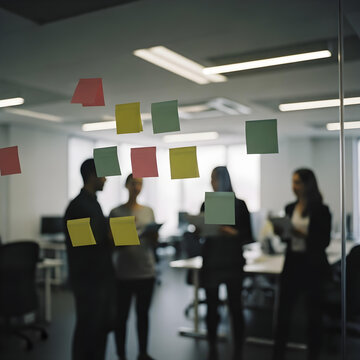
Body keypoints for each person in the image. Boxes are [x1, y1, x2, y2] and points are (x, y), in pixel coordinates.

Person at [272, 168, 332, 360]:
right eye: (293, 181)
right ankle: (278, 354)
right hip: (292, 264)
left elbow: (323, 241)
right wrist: (281, 232)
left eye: (297, 182)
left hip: (312, 266)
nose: (294, 186)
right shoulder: (290, 208)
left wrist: (303, 235)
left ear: (308, 184)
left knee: (314, 316)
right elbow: (288, 240)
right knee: (283, 314)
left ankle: (313, 354)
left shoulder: (321, 210)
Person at [64, 159, 116, 360]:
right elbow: (83, 246)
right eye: (103, 175)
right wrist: (108, 236)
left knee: (99, 330)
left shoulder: (93, 203)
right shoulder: (78, 206)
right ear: (92, 175)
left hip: (99, 278)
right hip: (88, 281)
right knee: (88, 331)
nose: (106, 179)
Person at [200, 166, 253, 360]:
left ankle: (238, 349)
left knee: (235, 307)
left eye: (214, 179)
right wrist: (199, 230)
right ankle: (212, 347)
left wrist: (233, 233)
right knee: (211, 308)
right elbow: (204, 230)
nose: (212, 183)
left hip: (231, 262)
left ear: (223, 180)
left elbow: (248, 235)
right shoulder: (206, 204)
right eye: (211, 179)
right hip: (212, 261)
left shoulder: (239, 205)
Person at [109, 174, 158, 360]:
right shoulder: (116, 212)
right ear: (126, 185)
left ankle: (143, 353)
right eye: (134, 183)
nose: (137, 186)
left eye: (140, 183)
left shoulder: (148, 211)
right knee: (121, 317)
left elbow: (154, 243)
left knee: (143, 315)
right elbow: (113, 244)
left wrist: (154, 237)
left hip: (146, 270)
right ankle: (121, 354)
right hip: (123, 273)